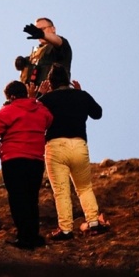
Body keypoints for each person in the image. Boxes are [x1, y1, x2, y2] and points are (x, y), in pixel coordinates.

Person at [37, 63, 111, 240]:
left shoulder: (47, 100)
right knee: (84, 187)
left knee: (61, 191)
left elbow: (35, 116)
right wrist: (81, 94)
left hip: (56, 146)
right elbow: (97, 113)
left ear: (51, 82)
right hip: (79, 145)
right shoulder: (81, 96)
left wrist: (41, 95)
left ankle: (66, 229)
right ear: (68, 80)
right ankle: (93, 222)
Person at [0, 80, 53, 250]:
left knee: (17, 199)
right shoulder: (41, 109)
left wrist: (5, 107)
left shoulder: (8, 111)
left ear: (11, 96)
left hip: (14, 159)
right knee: (31, 199)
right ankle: (34, 236)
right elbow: (49, 120)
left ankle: (24, 238)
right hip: (36, 160)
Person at [15, 17, 72, 87]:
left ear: (53, 29)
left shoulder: (59, 45)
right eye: (37, 30)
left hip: (54, 94)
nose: (39, 32)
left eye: (42, 29)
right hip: (34, 96)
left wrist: (43, 35)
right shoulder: (33, 56)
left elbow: (59, 42)